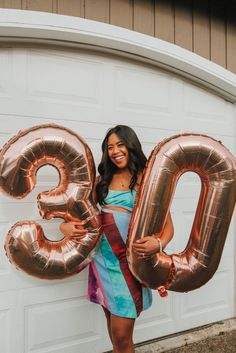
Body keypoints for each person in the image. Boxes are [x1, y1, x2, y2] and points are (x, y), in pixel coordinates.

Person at [60, 125, 174, 353]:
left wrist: (158, 244)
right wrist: (66, 227)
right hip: (102, 263)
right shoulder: (101, 181)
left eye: (120, 144)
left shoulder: (147, 180)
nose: (115, 151)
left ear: (131, 146)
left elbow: (168, 227)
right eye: (110, 147)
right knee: (115, 336)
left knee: (122, 336)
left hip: (129, 266)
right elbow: (70, 218)